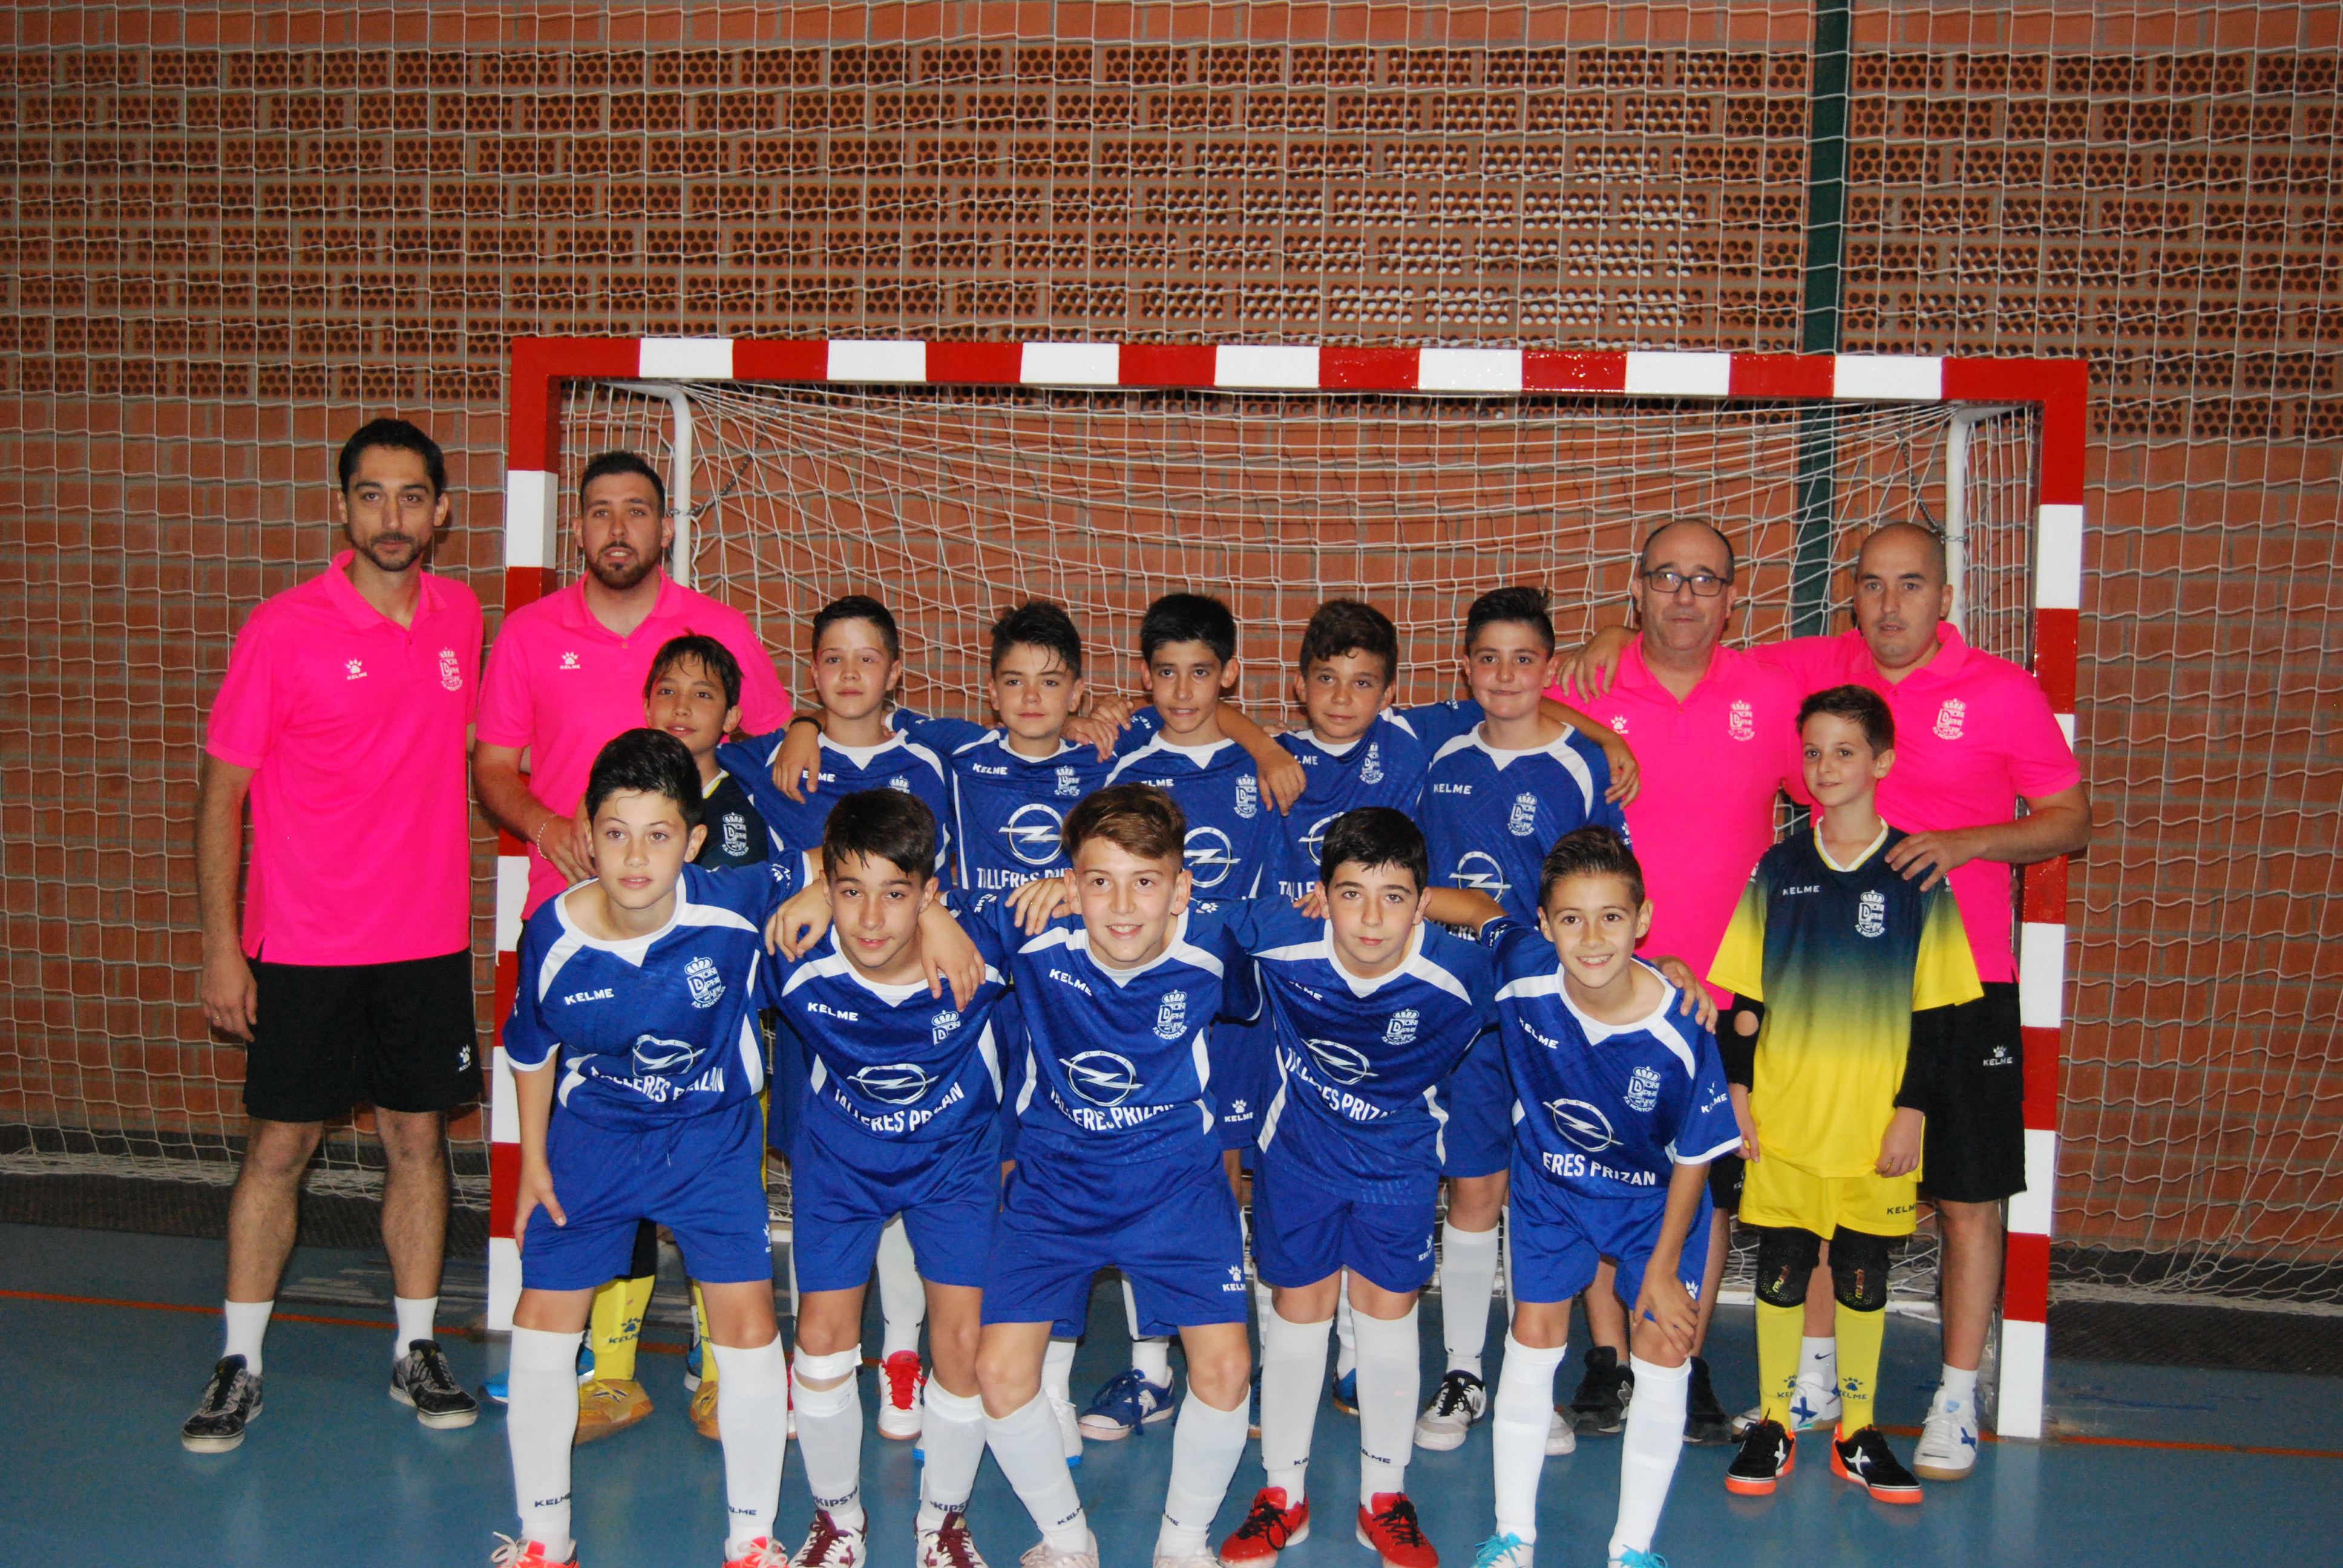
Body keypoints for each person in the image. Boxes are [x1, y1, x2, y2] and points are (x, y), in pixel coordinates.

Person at [1566, 520, 2091, 1477]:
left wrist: (1967, 843)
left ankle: (1954, 1395)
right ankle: (1806, 1377)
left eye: (1912, 584)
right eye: (1873, 584)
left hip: (1958, 972)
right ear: (1852, 595)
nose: (1891, 603)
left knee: (1965, 1192)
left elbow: (2072, 817)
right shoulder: (1814, 666)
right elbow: (1683, 643)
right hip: (1817, 980)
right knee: (1810, 1175)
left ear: (1945, 596)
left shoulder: (2001, 692)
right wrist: (1616, 638)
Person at [474, 449, 792, 1439]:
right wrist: (547, 826)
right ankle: (596, 1363)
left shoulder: (718, 633)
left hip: (702, 980)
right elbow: (493, 766)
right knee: (593, 1162)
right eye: (600, 511)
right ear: (578, 527)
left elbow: (783, 741)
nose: (619, 529)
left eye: (638, 511)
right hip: (584, 952)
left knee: (712, 1171)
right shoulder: (530, 633)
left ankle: (717, 1359)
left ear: (666, 526)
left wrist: (812, 735)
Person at [184, 417, 483, 1452]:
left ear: (442, 513)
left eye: (412, 496)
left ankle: (416, 1347)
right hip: (307, 944)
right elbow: (222, 795)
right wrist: (223, 945)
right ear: (341, 508)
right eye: (371, 494)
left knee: (418, 1141)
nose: (391, 516)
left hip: (426, 941)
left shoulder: (460, 617)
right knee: (281, 1146)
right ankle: (239, 1361)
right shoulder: (282, 630)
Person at [494, 729, 792, 1568]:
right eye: (616, 833)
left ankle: (751, 1539)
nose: (635, 857)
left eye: (658, 835)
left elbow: (848, 870)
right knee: (541, 1328)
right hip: (593, 1138)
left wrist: (933, 920)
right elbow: (531, 1049)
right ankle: (545, 1538)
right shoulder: (551, 935)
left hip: (710, 1139)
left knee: (747, 1325)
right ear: (587, 834)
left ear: (692, 842)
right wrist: (534, 1162)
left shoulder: (735, 904)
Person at [1548, 520, 1809, 1445]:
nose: (1685, 595)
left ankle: (1680, 1352)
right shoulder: (1583, 683)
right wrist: (1596, 673)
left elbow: (1836, 799)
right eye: (1667, 577)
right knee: (1600, 1166)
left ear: (1733, 597)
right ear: (1637, 589)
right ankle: (1609, 1356)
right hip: (1601, 981)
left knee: (1708, 1184)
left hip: (1725, 991)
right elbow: (1502, 717)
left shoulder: (1771, 696)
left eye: (1705, 579)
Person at [969, 785, 1261, 1568]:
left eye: (1145, 882)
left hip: (1176, 1187)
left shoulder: (1216, 944)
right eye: (1099, 882)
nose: (1123, 906)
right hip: (1054, 1186)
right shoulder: (1031, 930)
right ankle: (1067, 1539)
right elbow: (917, 909)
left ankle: (1183, 1542)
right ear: (1070, 884)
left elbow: (1297, 953)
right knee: (997, 1373)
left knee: (1226, 1370)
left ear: (1182, 888)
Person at [1708, 686, 1984, 1504]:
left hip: (1873, 1126)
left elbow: (1937, 1013)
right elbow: (1745, 1001)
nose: (1825, 767)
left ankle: (1858, 1432)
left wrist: (1912, 1111)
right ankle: (1773, 1422)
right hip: (1785, 1118)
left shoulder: (1915, 873)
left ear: (1882, 761)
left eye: (1844, 751)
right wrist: (1737, 1091)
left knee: (1863, 1272)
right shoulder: (1778, 867)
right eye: (1813, 752)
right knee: (1782, 1266)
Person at [1216, 808, 1503, 1568]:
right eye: (1350, 895)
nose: (1371, 919)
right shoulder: (1279, 934)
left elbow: (1559, 960)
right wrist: (1065, 892)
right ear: (1321, 894)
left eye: (1393, 897)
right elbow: (1162, 918)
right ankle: (1283, 1494)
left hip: (1398, 1168)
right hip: (1298, 1161)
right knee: (1297, 1318)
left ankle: (1384, 1497)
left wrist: (1666, 975)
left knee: (1385, 1322)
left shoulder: (1461, 970)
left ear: (1422, 902)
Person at [1464, 826, 1740, 1568]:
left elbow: (1694, 1158)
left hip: (1654, 1205)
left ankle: (1632, 1549)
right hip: (1551, 1190)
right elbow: (1481, 912)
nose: (1591, 939)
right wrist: (1406, 895)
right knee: (1532, 1339)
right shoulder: (1522, 969)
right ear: (1544, 924)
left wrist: (1660, 1270)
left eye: (1610, 917)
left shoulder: (1681, 1027)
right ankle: (1512, 1537)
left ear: (1641, 920)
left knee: (1662, 1346)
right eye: (1571, 919)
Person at [718, 593, 955, 1443]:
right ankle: (811, 1359)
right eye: (831, 660)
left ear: (895, 672)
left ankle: (902, 1357)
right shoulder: (771, 761)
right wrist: (802, 726)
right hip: (811, 1022)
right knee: (822, 1190)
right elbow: (689, 741)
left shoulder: (927, 762)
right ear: (810, 672)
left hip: (905, 1019)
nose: (850, 674)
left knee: (903, 1189)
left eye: (867, 659)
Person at [758, 790, 1008, 1568]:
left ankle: (943, 1522)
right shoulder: (792, 950)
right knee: (819, 1343)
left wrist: (946, 915)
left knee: (962, 1344)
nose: (870, 919)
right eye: (850, 892)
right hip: (841, 1162)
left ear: (929, 892)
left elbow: (1087, 897)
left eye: (895, 895)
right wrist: (809, 887)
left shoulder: (980, 948)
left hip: (954, 1161)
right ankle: (838, 1522)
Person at [1415, 587, 1631, 1454]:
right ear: (1464, 666)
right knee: (1472, 1191)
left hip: (1552, 1014)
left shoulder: (1583, 765)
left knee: (1544, 1194)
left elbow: (1612, 890)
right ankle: (1462, 1372)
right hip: (1460, 1011)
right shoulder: (1435, 746)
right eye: (1487, 658)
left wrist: (1604, 736)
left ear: (1550, 667)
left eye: (1524, 659)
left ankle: (1531, 1387)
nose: (1504, 675)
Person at [1083, 593, 1301, 1439]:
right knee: (1152, 1173)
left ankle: (1240, 1364)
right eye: (1166, 673)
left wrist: (1262, 742)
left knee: (1230, 1177)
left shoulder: (1263, 769)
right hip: (1146, 1011)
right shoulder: (1121, 758)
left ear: (1230, 674)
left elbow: (1281, 892)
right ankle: (1150, 1372)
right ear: (1144, 677)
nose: (1182, 691)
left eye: (1201, 672)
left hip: (1236, 1013)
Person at [645, 633, 771, 1439]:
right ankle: (605, 1366)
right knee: (623, 1202)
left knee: (718, 1208)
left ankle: (716, 1361)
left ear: (729, 717)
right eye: (667, 690)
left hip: (718, 1048)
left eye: (702, 694)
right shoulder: (625, 795)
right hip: (632, 1047)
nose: (681, 706)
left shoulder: (740, 811)